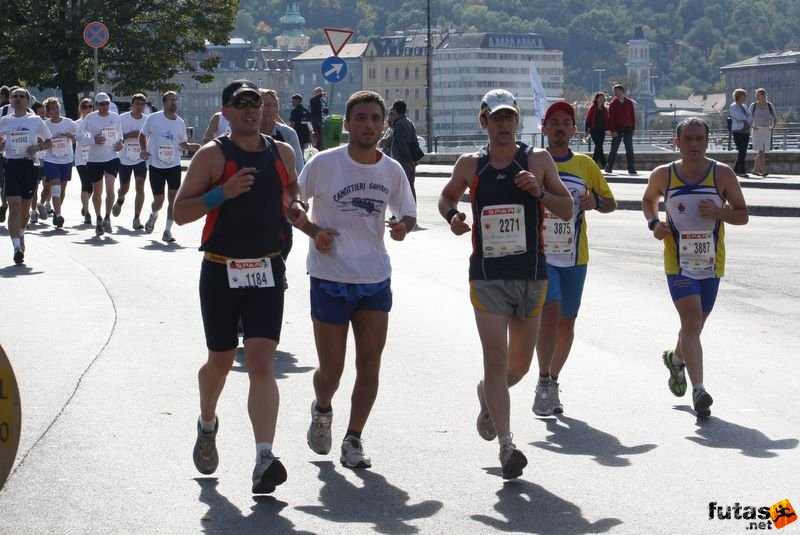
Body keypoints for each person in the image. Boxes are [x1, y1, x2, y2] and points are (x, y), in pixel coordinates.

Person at [173, 79, 300, 495]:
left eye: (256, 103)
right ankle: (207, 422)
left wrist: (297, 207)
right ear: (225, 111)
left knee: (262, 360)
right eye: (241, 104)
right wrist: (221, 194)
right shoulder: (213, 155)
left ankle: (264, 456)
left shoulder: (280, 152)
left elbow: (291, 192)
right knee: (221, 362)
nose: (251, 110)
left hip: (266, 269)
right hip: (220, 268)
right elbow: (181, 213)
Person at [438, 89, 572, 479]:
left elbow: (566, 207)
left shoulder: (538, 160)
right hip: (487, 276)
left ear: (518, 121)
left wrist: (540, 192)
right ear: (484, 122)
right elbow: (446, 198)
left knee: (520, 367)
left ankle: (487, 395)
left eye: (509, 117)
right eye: (495, 118)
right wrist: (453, 218)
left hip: (530, 275)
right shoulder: (470, 164)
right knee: (495, 360)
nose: (503, 125)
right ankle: (507, 445)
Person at [297, 90, 416, 470]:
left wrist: (402, 227)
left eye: (375, 119)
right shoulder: (325, 164)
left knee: (370, 365)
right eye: (360, 118)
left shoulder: (391, 170)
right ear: (347, 124)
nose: (368, 124)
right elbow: (292, 204)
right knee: (331, 371)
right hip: (330, 277)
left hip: (374, 279)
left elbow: (408, 213)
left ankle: (354, 438)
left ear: (384, 126)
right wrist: (315, 231)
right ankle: (323, 408)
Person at [642, 117, 749, 418]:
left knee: (696, 325)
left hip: (711, 261)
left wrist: (719, 212)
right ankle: (699, 390)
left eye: (699, 139)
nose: (693, 144)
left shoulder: (722, 174)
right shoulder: (664, 175)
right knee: (690, 321)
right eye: (687, 139)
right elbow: (648, 200)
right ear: (677, 142)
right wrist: (654, 223)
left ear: (707, 141)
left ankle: (676, 360)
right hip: (678, 261)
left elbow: (743, 215)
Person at [532, 101, 617, 416]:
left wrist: (595, 202)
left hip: (575, 255)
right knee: (550, 315)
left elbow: (610, 202)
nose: (560, 127)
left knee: (567, 322)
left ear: (574, 129)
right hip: (542, 255)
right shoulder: (532, 161)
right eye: (554, 122)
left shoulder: (585, 165)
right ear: (544, 128)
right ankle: (542, 380)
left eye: (566, 122)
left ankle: (552, 380)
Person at [139, 91, 200, 242]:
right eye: (171, 100)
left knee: (173, 198)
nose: (174, 103)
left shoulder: (180, 122)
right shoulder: (154, 118)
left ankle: (167, 231)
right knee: (159, 200)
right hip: (156, 164)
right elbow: (142, 135)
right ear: (164, 103)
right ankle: (153, 215)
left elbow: (181, 143)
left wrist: (190, 146)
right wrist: (144, 150)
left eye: (175, 100)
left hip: (174, 164)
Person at [0, 87, 53, 264]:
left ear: (27, 101)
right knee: (13, 206)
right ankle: (16, 246)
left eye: (21, 96)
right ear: (10, 100)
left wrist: (37, 148)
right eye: (14, 96)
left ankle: (21, 234)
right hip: (12, 164)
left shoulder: (35, 120)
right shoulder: (4, 121)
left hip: (29, 164)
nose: (18, 99)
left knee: (24, 208)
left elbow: (49, 142)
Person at [259, 88, 303, 261]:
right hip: (251, 201)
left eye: (271, 105)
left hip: (281, 200)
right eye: (262, 105)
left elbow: (298, 168)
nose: (266, 109)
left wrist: (296, 201)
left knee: (284, 241)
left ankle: (279, 269)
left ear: (277, 109)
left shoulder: (287, 134)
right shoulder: (242, 135)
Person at [77, 92, 123, 236]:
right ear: (96, 105)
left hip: (111, 157)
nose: (105, 106)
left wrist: (120, 143)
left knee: (110, 189)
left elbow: (119, 134)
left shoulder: (115, 117)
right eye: (102, 104)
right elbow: (78, 135)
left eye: (107, 103)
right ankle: (98, 218)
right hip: (94, 159)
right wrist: (93, 140)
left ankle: (108, 217)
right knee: (97, 192)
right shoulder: (90, 118)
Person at [42, 97, 78, 228]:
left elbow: (77, 138)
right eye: (52, 109)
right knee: (55, 188)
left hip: (66, 159)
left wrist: (70, 136)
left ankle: (58, 212)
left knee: (62, 190)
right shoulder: (45, 124)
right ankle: (58, 215)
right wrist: (48, 141)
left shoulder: (69, 123)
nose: (55, 110)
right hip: (51, 160)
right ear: (48, 111)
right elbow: (40, 140)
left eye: (57, 107)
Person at [114, 94, 149, 229]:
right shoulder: (122, 118)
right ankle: (120, 199)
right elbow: (116, 135)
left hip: (140, 158)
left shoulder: (147, 120)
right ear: (132, 104)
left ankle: (136, 218)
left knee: (140, 187)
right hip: (124, 158)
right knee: (125, 187)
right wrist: (130, 135)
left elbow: (151, 136)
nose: (139, 106)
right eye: (137, 104)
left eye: (142, 104)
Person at [388, 99, 423, 202]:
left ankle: (400, 212)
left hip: (402, 160)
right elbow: (415, 141)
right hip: (411, 161)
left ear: (395, 110)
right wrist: (414, 159)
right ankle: (412, 210)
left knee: (401, 187)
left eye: (393, 109)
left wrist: (410, 159)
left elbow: (402, 145)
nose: (392, 111)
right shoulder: (409, 122)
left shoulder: (398, 124)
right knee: (410, 186)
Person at [604, 84, 637, 175]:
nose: (615, 93)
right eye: (614, 91)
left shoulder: (629, 102)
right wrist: (613, 130)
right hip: (617, 129)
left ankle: (631, 168)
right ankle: (609, 166)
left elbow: (632, 116)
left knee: (629, 149)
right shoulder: (613, 104)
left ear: (622, 91)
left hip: (628, 128)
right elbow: (610, 118)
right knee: (614, 149)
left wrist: (633, 128)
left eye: (616, 91)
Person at [748, 88, 777, 177]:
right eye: (756, 95)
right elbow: (748, 117)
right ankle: (763, 170)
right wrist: (752, 126)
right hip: (757, 129)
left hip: (766, 130)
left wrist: (772, 127)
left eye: (758, 95)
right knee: (761, 151)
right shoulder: (753, 105)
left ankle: (755, 169)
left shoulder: (769, 105)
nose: (756, 96)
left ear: (763, 95)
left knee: (762, 151)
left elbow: (775, 118)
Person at [74, 98, 93, 224]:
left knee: (92, 187)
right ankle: (87, 213)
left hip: (94, 158)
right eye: (85, 106)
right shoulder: (76, 124)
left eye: (90, 106)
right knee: (85, 184)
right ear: (81, 109)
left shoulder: (96, 122)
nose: (88, 109)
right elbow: (74, 138)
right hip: (81, 159)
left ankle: (84, 205)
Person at [729, 88, 752, 178]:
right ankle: (742, 171)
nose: (745, 97)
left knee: (743, 151)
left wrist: (746, 117)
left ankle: (735, 171)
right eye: (744, 95)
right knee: (741, 151)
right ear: (739, 96)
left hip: (745, 131)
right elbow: (738, 117)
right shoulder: (733, 106)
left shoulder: (745, 106)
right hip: (738, 131)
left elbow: (750, 116)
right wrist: (746, 117)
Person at [584, 92, 609, 169]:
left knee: (598, 147)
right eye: (600, 98)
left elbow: (607, 119)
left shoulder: (605, 109)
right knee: (599, 146)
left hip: (602, 130)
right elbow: (588, 119)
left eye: (603, 99)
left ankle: (592, 165)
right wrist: (586, 131)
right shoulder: (593, 108)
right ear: (597, 99)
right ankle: (605, 164)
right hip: (594, 130)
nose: (602, 100)